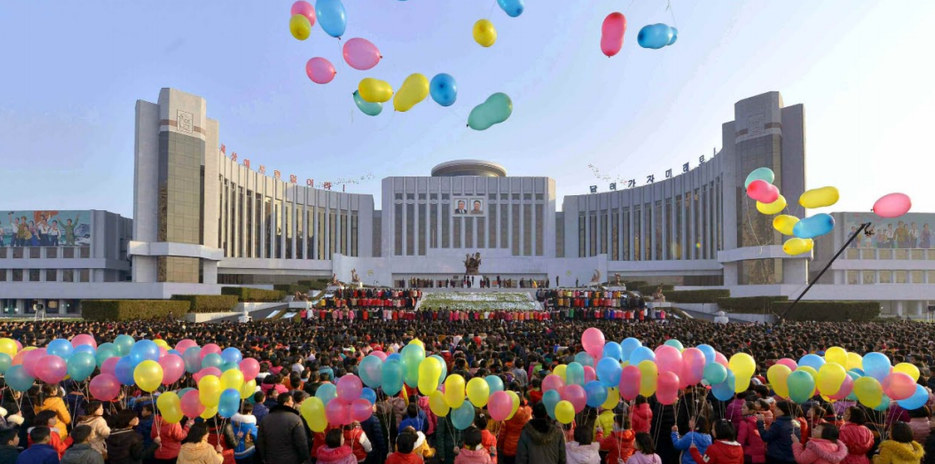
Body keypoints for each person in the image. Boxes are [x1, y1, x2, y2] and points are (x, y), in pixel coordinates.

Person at [256, 393, 310, 464]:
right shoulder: (295, 419)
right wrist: (305, 457)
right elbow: (301, 441)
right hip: (291, 459)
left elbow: (260, 441)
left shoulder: (266, 419)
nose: (293, 402)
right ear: (286, 403)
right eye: (291, 401)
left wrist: (263, 457)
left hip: (271, 458)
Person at [498, 398, 531, 464]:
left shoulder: (508, 415)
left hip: (509, 447)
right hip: (522, 447)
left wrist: (500, 445)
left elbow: (502, 433)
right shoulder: (528, 417)